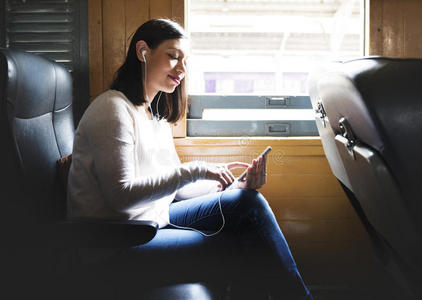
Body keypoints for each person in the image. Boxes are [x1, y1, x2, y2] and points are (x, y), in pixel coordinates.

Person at [67, 18, 312, 299]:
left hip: (151, 221)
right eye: (173, 57)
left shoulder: (153, 115)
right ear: (143, 52)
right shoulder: (112, 109)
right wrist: (194, 170)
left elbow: (177, 188)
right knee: (236, 245)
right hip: (115, 244)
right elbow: (121, 196)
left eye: (185, 61)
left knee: (247, 203)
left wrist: (234, 187)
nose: (182, 69)